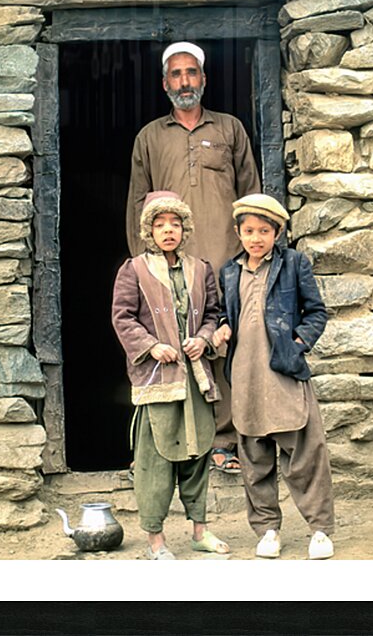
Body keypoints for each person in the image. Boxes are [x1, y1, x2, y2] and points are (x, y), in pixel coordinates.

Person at [126, 41, 261, 474]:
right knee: (171, 346)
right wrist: (144, 268)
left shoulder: (229, 129)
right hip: (171, 266)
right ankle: (172, 445)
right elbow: (137, 204)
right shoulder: (150, 137)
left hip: (225, 259)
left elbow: (251, 195)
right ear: (164, 83)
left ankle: (224, 440)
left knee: (224, 345)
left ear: (203, 78)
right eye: (176, 74)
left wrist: (253, 257)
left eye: (191, 73)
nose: (184, 81)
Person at [213, 193, 335, 560]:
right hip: (245, 375)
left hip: (283, 372)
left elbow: (316, 312)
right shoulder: (230, 271)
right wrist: (223, 326)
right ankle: (268, 530)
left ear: (277, 233)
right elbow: (225, 312)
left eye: (264, 231)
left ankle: (320, 529)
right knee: (254, 458)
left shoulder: (293, 263)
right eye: (249, 231)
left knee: (305, 454)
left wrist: (297, 344)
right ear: (238, 232)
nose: (256, 238)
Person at [112, 190, 230, 560]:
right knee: (155, 460)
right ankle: (156, 541)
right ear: (149, 230)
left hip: (195, 379)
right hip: (158, 381)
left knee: (198, 453)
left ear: (184, 229)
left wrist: (204, 339)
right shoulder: (134, 270)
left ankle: (199, 531)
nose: (168, 230)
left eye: (175, 224)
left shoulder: (201, 269)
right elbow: (122, 317)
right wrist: (151, 346)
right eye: (160, 224)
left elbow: (213, 313)